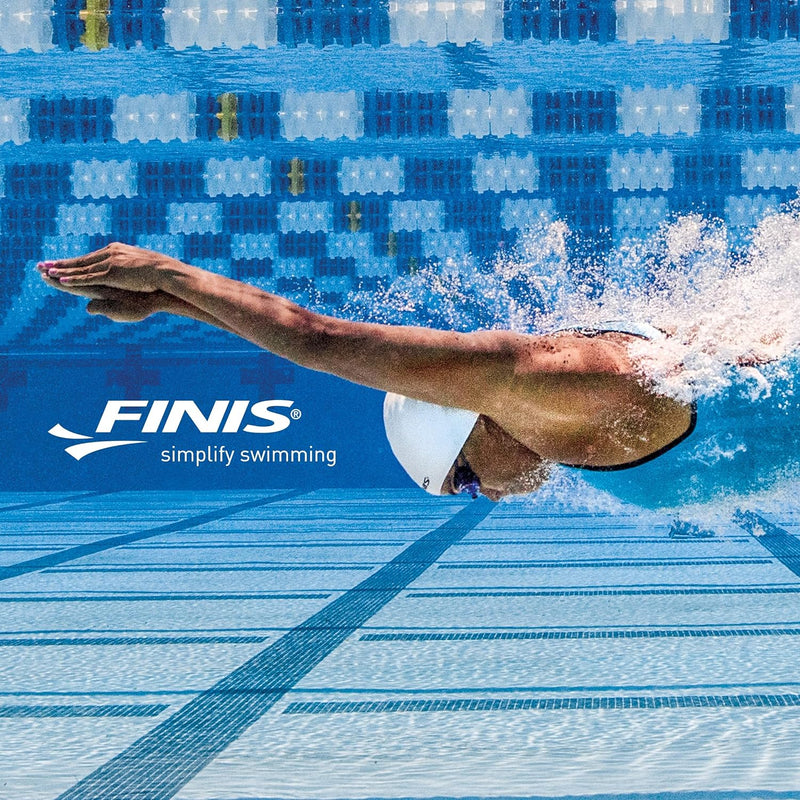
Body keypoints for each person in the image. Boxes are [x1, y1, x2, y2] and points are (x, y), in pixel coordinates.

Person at [36, 242, 701, 503]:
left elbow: (319, 339)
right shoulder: (578, 429)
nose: (488, 495)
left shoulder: (555, 388)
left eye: (464, 478)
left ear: (478, 420)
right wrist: (169, 307)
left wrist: (170, 277)